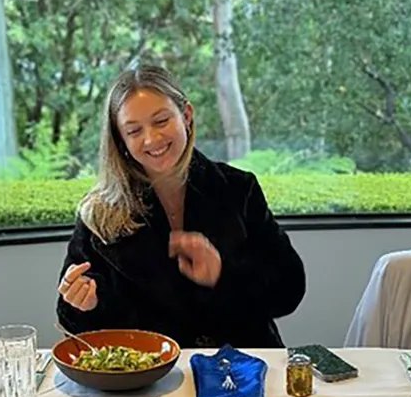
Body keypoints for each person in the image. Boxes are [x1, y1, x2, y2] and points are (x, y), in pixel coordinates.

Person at [56, 65, 306, 348]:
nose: (152, 139)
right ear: (120, 139)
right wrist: (84, 304)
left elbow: (289, 290)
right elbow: (73, 324)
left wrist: (223, 273)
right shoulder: (99, 212)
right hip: (150, 369)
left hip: (244, 364)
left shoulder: (239, 189)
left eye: (161, 120)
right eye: (134, 130)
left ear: (186, 115)